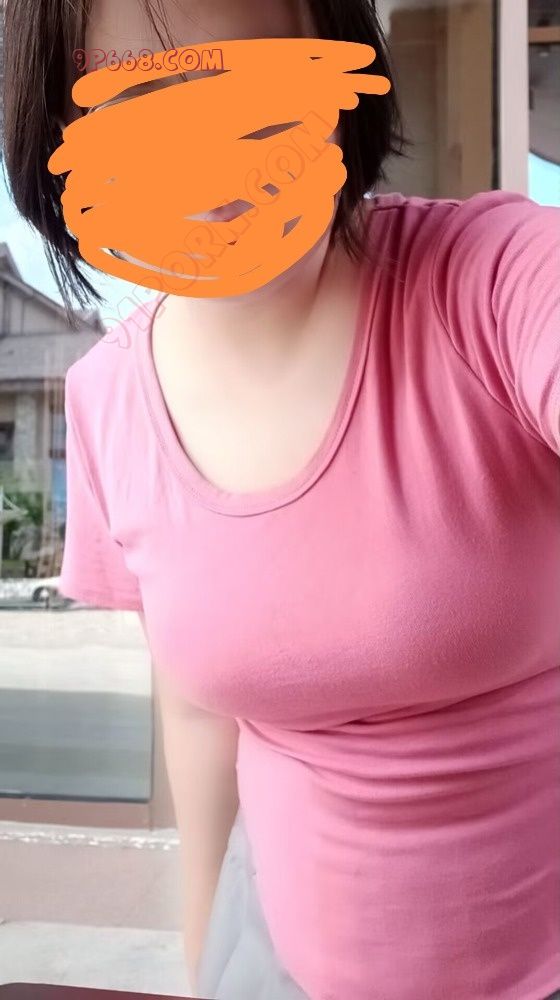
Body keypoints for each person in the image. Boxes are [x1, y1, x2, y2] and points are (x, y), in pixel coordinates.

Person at [3, 1, 560, 999]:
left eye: (252, 86)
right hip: (273, 959)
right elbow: (196, 705)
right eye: (135, 101)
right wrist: (201, 947)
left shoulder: (495, 280)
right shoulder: (105, 399)